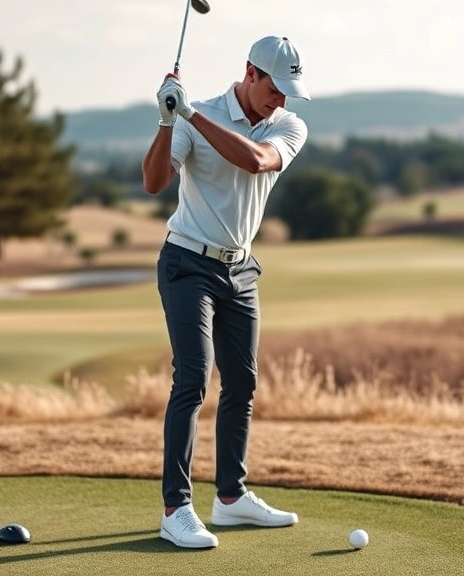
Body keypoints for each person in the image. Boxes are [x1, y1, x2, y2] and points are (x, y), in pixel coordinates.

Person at [141, 35, 311, 549]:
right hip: (187, 262)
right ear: (250, 73)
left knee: (242, 382)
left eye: (287, 92)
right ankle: (176, 508)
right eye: (274, 88)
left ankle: (231, 499)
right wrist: (169, 120)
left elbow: (257, 161)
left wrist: (189, 115)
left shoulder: (287, 126)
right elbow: (153, 183)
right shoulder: (201, 114)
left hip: (240, 272)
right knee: (192, 377)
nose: (279, 100)